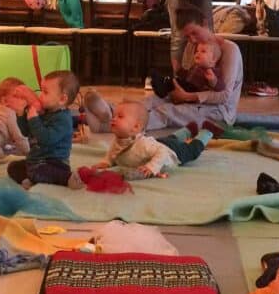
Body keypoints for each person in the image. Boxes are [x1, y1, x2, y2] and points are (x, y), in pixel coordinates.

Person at [83, 20, 244, 131]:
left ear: (206, 24)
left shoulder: (230, 50)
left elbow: (224, 96)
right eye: (187, 36)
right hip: (191, 96)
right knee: (152, 100)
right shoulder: (193, 46)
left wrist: (187, 97)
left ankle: (110, 125)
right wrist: (177, 83)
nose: (192, 40)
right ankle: (111, 111)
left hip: (218, 111)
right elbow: (188, 80)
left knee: (166, 111)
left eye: (195, 33)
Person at [94, 101, 211, 178]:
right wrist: (106, 162)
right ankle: (188, 130)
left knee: (191, 151)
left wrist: (151, 167)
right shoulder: (119, 140)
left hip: (172, 151)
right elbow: (112, 153)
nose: (113, 119)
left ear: (136, 127)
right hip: (159, 143)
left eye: (120, 116)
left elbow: (163, 152)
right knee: (169, 139)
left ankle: (207, 131)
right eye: (114, 116)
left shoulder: (143, 144)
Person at [7, 70, 83, 189]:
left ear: (62, 99)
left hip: (54, 163)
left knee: (38, 170)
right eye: (41, 90)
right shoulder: (44, 111)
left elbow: (46, 139)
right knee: (13, 167)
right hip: (36, 160)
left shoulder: (63, 119)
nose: (40, 95)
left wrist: (34, 119)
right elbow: (26, 132)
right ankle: (33, 178)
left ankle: (67, 177)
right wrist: (21, 114)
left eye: (45, 92)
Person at [149, 39, 223, 98]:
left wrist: (213, 80)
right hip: (187, 85)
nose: (198, 53)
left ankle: (163, 88)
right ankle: (161, 83)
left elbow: (221, 87)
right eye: (197, 51)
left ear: (213, 59)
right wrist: (179, 69)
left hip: (195, 91)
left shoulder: (213, 71)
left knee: (175, 83)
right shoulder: (195, 66)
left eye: (203, 51)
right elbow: (186, 75)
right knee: (176, 80)